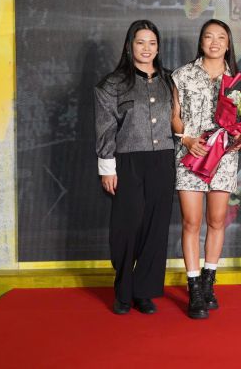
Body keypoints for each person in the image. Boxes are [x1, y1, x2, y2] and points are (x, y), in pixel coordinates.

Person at [94, 20, 175, 315]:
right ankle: (123, 291)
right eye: (140, 42)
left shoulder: (169, 80)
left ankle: (145, 291)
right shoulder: (112, 84)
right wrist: (107, 168)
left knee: (156, 228)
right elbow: (105, 129)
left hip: (163, 159)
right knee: (126, 228)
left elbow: (179, 122)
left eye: (152, 43)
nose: (146, 49)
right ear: (130, 46)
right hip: (127, 161)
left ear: (158, 47)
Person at [172, 19, 240, 319]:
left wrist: (240, 139)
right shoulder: (182, 75)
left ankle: (210, 282)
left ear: (228, 43)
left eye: (221, 37)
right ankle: (194, 287)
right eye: (208, 37)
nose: (214, 42)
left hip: (223, 158)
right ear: (201, 42)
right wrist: (186, 138)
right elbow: (173, 116)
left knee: (217, 220)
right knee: (191, 222)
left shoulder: (238, 81)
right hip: (191, 155)